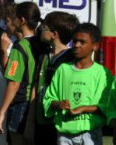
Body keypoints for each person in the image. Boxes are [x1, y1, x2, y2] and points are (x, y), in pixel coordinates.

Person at [43, 23, 112, 145]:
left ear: (95, 46)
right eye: (74, 41)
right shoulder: (63, 69)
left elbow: (107, 106)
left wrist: (82, 108)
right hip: (64, 135)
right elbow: (48, 99)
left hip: (90, 134)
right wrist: (58, 104)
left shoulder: (102, 73)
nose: (76, 45)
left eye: (82, 42)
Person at [0, 2, 43, 144]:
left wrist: (2, 111)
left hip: (20, 103)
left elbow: (14, 82)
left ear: (22, 21)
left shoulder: (19, 47)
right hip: (35, 102)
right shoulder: (40, 43)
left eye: (14, 18)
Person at [30, 11, 79, 145]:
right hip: (40, 121)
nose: (40, 29)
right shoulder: (43, 55)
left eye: (44, 27)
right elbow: (36, 87)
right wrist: (30, 120)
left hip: (58, 122)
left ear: (54, 34)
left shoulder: (70, 59)